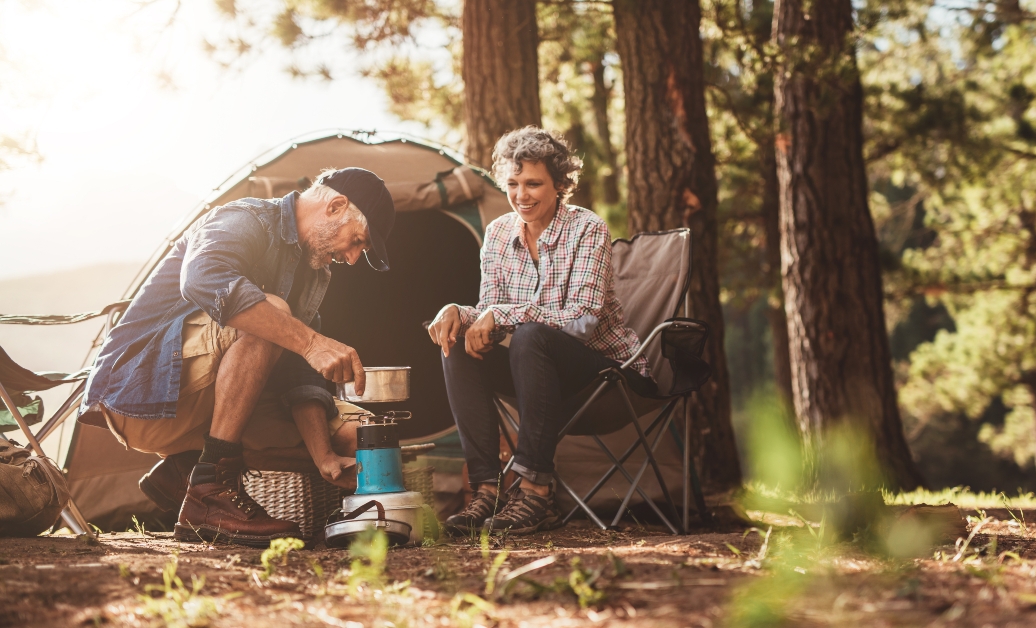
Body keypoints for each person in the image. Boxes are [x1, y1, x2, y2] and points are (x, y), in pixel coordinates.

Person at [82, 168, 395, 546]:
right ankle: (209, 487)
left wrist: (324, 456)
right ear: (335, 206)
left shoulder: (313, 275)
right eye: (357, 241)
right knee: (272, 311)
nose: (353, 258)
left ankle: (190, 470)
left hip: (220, 404)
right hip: (143, 392)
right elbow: (202, 278)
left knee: (363, 432)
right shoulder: (245, 218)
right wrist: (311, 341)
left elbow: (300, 373)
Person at [427, 127, 654, 535]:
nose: (521, 196)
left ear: (561, 184)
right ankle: (486, 489)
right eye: (513, 184)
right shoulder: (497, 235)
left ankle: (535, 493)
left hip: (602, 373)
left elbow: (582, 319)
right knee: (458, 343)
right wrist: (458, 313)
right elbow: (489, 310)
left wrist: (502, 317)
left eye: (533, 184)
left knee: (530, 334)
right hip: (533, 369)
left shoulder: (587, 228)